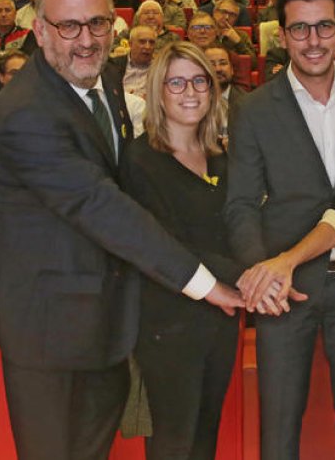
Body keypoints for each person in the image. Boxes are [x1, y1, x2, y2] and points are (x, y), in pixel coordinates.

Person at [0, 0, 242, 460]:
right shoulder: (24, 112)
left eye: (98, 24)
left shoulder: (106, 82)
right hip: (49, 331)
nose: (86, 40)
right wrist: (205, 283)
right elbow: (99, 203)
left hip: (105, 322)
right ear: (38, 30)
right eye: (69, 27)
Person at [225, 0, 335, 460]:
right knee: (279, 424)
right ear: (281, 34)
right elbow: (239, 204)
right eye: (300, 29)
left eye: (323, 27)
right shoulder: (254, 109)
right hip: (285, 290)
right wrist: (263, 274)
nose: (313, 41)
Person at [120, 42, 245, 460]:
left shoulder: (221, 158)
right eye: (177, 82)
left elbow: (234, 233)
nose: (190, 92)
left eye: (199, 81)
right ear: (157, 91)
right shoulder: (139, 161)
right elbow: (166, 243)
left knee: (205, 437)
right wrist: (249, 277)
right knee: (173, 443)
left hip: (222, 320)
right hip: (167, 325)